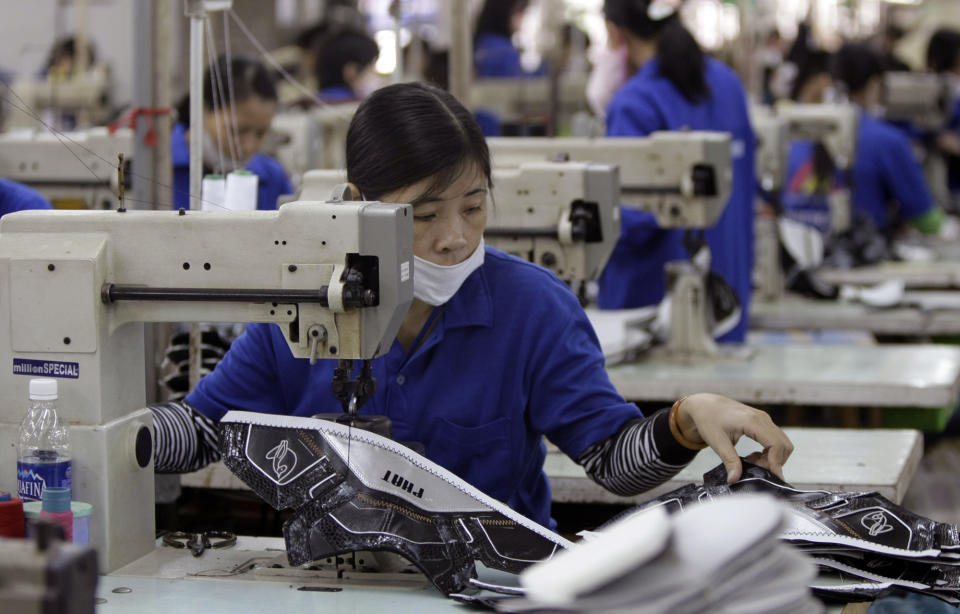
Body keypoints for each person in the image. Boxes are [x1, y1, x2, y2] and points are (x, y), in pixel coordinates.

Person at [149, 82, 793, 531]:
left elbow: (613, 463)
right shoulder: (304, 309)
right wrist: (116, 436)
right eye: (424, 215)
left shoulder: (533, 311)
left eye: (473, 207)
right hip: (329, 583)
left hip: (491, 586)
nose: (455, 236)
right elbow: (205, 430)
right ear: (356, 201)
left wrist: (684, 419)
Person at [595, 0, 756, 344]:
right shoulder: (727, 84)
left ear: (613, 31)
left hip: (653, 316)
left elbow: (624, 221)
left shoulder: (635, 102)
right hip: (727, 303)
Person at [834, 43, 942, 235]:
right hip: (865, 250)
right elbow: (927, 220)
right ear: (875, 83)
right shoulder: (887, 141)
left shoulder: (802, 133)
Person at [172, 55, 293, 211]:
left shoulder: (273, 177)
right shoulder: (158, 167)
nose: (248, 146)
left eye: (261, 133)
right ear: (202, 109)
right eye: (237, 131)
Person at [313, 26, 381, 102]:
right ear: (351, 71)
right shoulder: (356, 107)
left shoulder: (313, 102)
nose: (375, 75)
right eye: (370, 69)